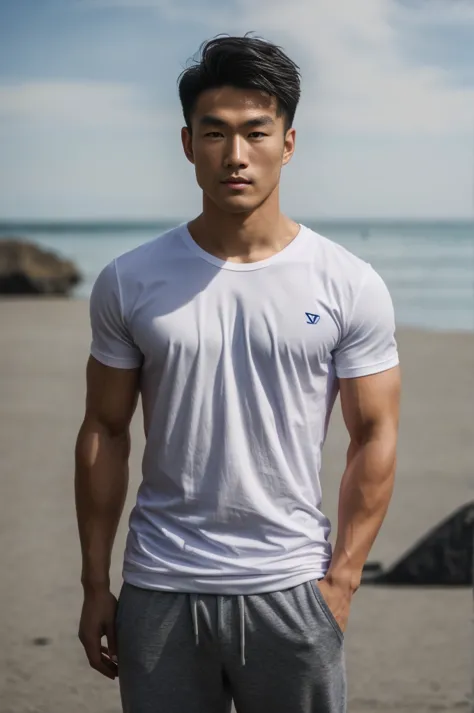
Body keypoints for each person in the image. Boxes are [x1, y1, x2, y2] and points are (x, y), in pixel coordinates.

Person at [75, 34, 401, 713]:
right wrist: (95, 583)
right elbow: (105, 429)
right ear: (188, 143)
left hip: (290, 587)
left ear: (288, 141)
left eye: (257, 132)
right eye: (215, 133)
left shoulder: (347, 282)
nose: (236, 155)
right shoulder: (130, 280)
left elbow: (375, 434)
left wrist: (341, 580)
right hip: (161, 584)